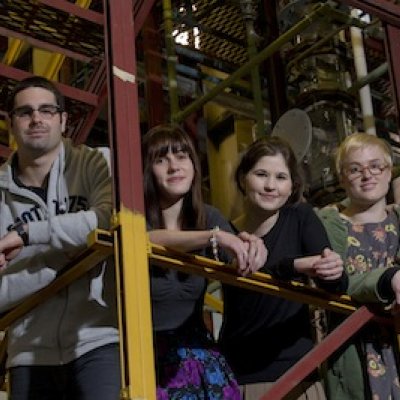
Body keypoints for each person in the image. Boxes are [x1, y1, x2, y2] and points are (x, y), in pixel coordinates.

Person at [0, 76, 119, 400]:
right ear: (10, 123)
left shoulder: (98, 163)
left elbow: (108, 220)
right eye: (25, 112)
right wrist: (65, 258)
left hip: (98, 337)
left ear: (64, 120)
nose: (36, 119)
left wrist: (28, 235)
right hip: (27, 353)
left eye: (46, 110)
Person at [142, 124, 268, 399]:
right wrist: (216, 237)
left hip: (196, 351)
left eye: (182, 156)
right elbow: (146, 238)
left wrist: (254, 248)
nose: (174, 166)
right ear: (147, 172)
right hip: (145, 353)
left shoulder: (208, 217)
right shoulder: (134, 216)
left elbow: (240, 255)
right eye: (161, 159)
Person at [218, 136, 347, 400]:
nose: (270, 186)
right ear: (243, 178)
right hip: (240, 375)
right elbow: (250, 277)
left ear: (292, 186)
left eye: (280, 177)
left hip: (297, 374)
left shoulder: (301, 217)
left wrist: (331, 269)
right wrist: (296, 266)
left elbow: (336, 287)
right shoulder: (225, 233)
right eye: (261, 174)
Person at [317, 133, 400, 400]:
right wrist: (388, 278)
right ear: (342, 178)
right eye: (355, 169)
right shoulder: (329, 224)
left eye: (376, 166)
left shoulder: (398, 220)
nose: (368, 175)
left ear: (389, 172)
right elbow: (338, 280)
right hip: (353, 342)